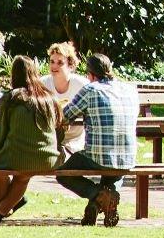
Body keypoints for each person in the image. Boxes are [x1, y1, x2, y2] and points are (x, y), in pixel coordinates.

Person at [0, 55, 64, 221]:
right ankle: (4, 209)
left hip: (17, 157)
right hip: (49, 159)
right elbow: (59, 130)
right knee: (23, 174)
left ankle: (1, 209)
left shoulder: (11, 98)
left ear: (14, 74)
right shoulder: (49, 98)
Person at [58, 52, 138, 226]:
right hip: (128, 156)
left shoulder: (90, 89)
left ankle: (97, 196)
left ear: (90, 74)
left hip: (98, 156)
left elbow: (64, 116)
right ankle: (100, 203)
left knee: (63, 173)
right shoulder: (129, 89)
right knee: (115, 170)